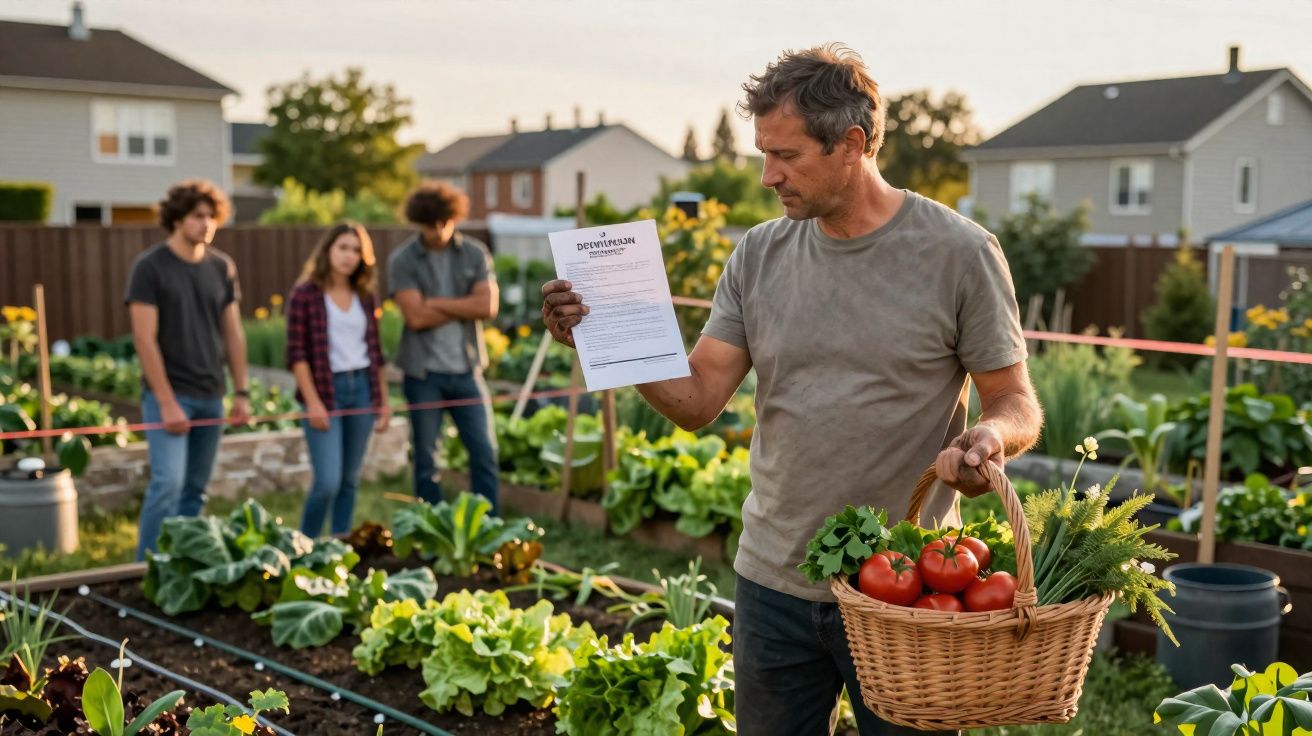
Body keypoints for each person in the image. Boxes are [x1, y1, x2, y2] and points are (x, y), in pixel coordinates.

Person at [541, 44, 1043, 736]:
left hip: (904, 590)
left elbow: (1015, 400)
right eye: (762, 154)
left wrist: (989, 437)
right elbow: (697, 399)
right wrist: (608, 341)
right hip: (772, 581)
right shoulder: (759, 253)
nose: (768, 176)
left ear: (852, 144)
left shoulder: (958, 252)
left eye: (786, 156)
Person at [128, 179, 250, 560]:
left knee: (195, 489)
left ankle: (179, 563)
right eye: (198, 216)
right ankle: (144, 568)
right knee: (168, 483)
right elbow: (144, 340)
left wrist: (242, 392)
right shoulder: (150, 268)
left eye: (212, 216)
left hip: (211, 394)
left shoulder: (221, 267)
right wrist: (166, 403)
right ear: (177, 218)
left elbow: (233, 334)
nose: (207, 223)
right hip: (170, 395)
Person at [388, 181, 499, 512]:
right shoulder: (403, 260)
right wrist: (462, 303)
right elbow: (416, 317)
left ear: (454, 217)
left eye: (443, 222)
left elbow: (487, 308)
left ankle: (489, 526)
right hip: (423, 375)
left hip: (466, 370)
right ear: (418, 222)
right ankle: (431, 526)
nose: (438, 230)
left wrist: (435, 302)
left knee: (484, 452)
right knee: (425, 458)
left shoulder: (474, 253)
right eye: (429, 224)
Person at [285, 222, 391, 537]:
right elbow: (296, 354)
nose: (349, 256)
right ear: (328, 250)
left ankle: (339, 546)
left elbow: (376, 352)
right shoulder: (304, 295)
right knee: (327, 482)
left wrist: (383, 402)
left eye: (356, 250)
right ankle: (304, 547)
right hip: (324, 391)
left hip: (361, 389)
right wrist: (313, 402)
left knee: (349, 480)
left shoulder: (365, 295)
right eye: (343, 247)